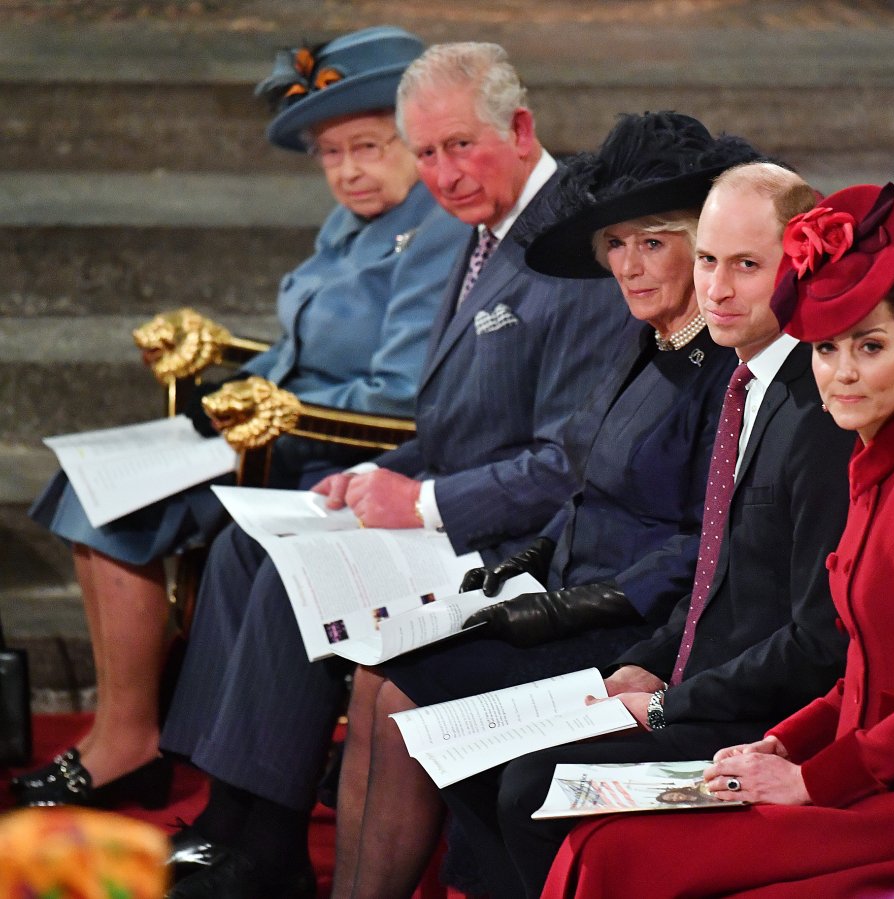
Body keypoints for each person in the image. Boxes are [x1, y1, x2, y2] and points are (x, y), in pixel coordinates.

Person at [158, 42, 630, 899]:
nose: (442, 174)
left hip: (528, 542)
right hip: (458, 501)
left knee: (290, 575)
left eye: (460, 146)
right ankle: (231, 816)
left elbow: (572, 460)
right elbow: (454, 420)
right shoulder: (479, 225)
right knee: (246, 544)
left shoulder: (573, 246)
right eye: (425, 152)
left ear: (520, 129)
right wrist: (375, 473)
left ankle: (263, 842)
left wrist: (424, 499)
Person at [13, 26, 468, 808]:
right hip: (284, 426)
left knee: (112, 506)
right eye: (332, 154)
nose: (350, 170)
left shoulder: (437, 228)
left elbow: (400, 394)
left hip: (340, 449)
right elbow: (297, 351)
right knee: (87, 485)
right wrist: (227, 382)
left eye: (368, 144)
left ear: (415, 137)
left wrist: (266, 410)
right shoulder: (351, 223)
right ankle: (120, 729)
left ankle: (130, 741)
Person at [540, 183, 894, 899]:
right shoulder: (875, 465)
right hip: (848, 764)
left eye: (871, 346)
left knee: (616, 852)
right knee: (598, 834)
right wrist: (784, 740)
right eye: (827, 349)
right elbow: (861, 670)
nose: (845, 371)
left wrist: (808, 775)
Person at [331, 110, 761, 899]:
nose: (629, 266)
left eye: (653, 243)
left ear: (701, 248)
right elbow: (585, 482)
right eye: (616, 245)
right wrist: (523, 568)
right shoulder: (645, 339)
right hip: (565, 598)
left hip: (631, 626)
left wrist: (565, 607)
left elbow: (703, 546)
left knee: (398, 696)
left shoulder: (721, 369)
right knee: (373, 669)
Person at [443, 161, 855, 898]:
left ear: (798, 268)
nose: (717, 290)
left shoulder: (819, 411)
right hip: (692, 683)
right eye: (707, 261)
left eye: (747, 266)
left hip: (759, 724)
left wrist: (670, 701)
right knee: (468, 756)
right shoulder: (746, 381)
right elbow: (715, 576)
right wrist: (645, 661)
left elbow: (818, 639)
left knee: (528, 788)